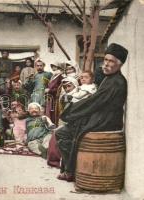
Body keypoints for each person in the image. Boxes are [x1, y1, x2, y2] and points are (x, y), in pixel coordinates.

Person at [55, 43, 128, 182]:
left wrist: (71, 111)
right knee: (64, 131)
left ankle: (71, 171)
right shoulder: (110, 78)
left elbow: (94, 102)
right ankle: (73, 169)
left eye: (111, 61)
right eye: (105, 60)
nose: (105, 64)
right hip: (100, 116)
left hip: (107, 120)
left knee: (68, 132)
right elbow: (95, 102)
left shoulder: (116, 82)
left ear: (120, 64)